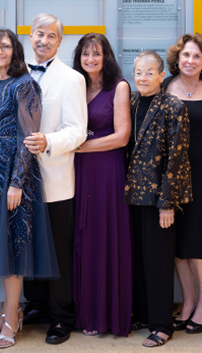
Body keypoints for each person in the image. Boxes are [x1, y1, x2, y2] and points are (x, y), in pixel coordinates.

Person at [0, 29, 58, 349]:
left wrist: (16, 182)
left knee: (12, 248)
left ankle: (12, 318)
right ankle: (9, 310)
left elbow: (28, 138)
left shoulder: (25, 84)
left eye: (4, 46)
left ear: (15, 51)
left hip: (12, 173)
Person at [21, 13, 88, 346]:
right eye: (38, 34)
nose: (43, 40)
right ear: (30, 37)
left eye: (50, 36)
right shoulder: (18, 74)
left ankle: (62, 316)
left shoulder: (72, 79)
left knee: (57, 250)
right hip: (20, 180)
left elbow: (78, 131)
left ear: (60, 41)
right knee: (28, 245)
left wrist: (49, 141)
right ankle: (36, 305)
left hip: (55, 177)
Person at [127, 50, 192, 348]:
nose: (143, 77)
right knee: (138, 259)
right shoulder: (129, 103)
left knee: (159, 262)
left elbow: (177, 159)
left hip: (157, 199)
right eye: (139, 72)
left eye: (149, 72)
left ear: (162, 75)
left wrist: (167, 202)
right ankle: (142, 313)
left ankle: (162, 324)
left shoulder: (173, 106)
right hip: (130, 197)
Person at [70, 33, 132, 336]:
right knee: (83, 238)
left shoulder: (119, 87)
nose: (90, 60)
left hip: (107, 171)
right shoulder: (76, 85)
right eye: (85, 54)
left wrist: (80, 146)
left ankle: (106, 316)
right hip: (78, 171)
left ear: (106, 57)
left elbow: (122, 136)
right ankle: (86, 313)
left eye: (96, 54)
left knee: (103, 237)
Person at [163, 33, 202, 334]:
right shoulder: (165, 87)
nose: (189, 60)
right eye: (185, 55)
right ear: (177, 59)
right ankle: (188, 302)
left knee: (197, 241)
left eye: (196, 56)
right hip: (171, 177)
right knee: (176, 242)